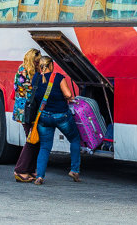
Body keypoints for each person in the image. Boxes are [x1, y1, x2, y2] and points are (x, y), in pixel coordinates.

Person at [30, 55, 82, 184]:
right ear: (51, 65)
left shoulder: (36, 78)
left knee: (45, 147)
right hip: (60, 116)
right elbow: (68, 94)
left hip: (43, 117)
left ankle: (40, 176)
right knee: (75, 139)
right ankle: (74, 170)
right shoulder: (58, 78)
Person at [12, 49, 40, 182]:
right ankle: (21, 170)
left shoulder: (22, 69)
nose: (38, 63)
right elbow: (30, 90)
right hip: (27, 110)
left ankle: (29, 169)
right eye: (37, 61)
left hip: (23, 108)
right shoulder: (26, 71)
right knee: (31, 139)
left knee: (34, 139)